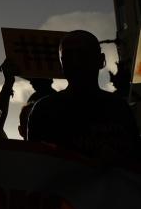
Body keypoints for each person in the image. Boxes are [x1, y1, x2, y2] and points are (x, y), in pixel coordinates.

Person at [27, 29, 141, 163]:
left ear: (101, 60)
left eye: (83, 54)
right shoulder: (44, 110)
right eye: (68, 56)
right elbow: (35, 165)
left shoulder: (119, 108)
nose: (75, 61)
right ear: (61, 64)